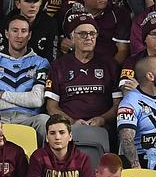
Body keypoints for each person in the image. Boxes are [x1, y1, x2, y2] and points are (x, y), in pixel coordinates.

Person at [45, 15, 121, 146]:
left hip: (102, 127)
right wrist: (71, 121)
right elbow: (51, 106)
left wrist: (102, 119)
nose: (89, 38)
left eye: (92, 33)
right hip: (68, 128)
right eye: (83, 34)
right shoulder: (59, 66)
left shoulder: (110, 65)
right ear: (72, 37)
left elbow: (118, 105)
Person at [0, 15, 51, 140]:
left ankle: (43, 159)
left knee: (45, 120)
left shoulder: (41, 62)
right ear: (7, 34)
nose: (19, 35)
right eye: (15, 30)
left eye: (24, 31)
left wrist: (3, 95)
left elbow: (37, 101)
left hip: (28, 119)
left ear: (29, 35)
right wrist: (24, 101)